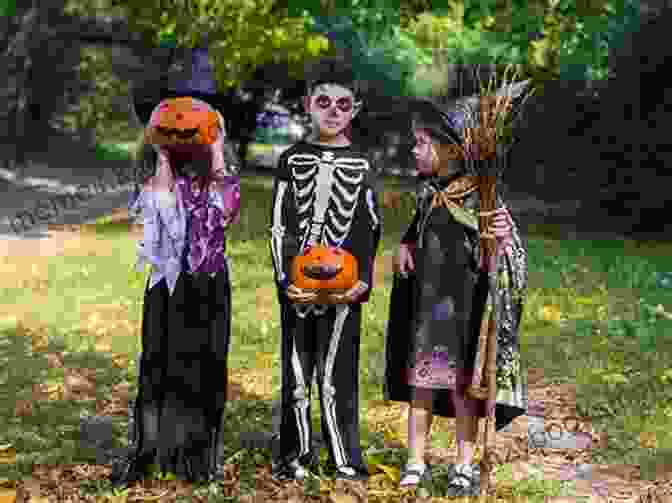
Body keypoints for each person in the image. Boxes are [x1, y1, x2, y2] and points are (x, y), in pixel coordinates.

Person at [111, 45, 241, 486]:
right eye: (175, 109)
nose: (184, 119)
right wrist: (164, 156)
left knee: (206, 364)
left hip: (209, 281)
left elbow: (225, 213)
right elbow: (156, 214)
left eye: (196, 109)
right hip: (165, 283)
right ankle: (150, 452)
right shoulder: (151, 168)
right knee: (157, 363)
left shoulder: (220, 170)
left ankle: (198, 459)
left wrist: (217, 150)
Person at [383, 98, 528, 494]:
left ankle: (463, 464)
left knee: (466, 390)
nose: (413, 150)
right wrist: (405, 246)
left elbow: (507, 252)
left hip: (467, 310)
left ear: (448, 150)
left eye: (420, 143)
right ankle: (416, 459)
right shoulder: (430, 194)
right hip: (429, 308)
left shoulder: (482, 197)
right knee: (422, 384)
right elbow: (418, 231)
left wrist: (500, 241)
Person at [269, 57, 381, 482]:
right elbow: (279, 226)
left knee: (338, 377)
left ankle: (345, 458)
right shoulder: (290, 160)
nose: (333, 111)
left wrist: (364, 282)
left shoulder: (365, 166)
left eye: (342, 104)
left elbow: (371, 230)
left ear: (354, 110)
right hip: (298, 285)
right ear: (308, 106)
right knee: (296, 377)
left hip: (345, 288)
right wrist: (284, 280)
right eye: (323, 102)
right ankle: (294, 457)